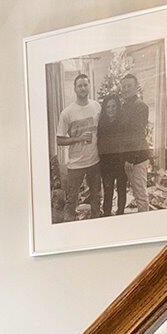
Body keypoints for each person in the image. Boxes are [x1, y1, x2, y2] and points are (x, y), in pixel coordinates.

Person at [100, 68, 157, 213]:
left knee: (140, 195)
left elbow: (138, 134)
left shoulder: (140, 106)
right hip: (127, 159)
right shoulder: (123, 106)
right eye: (123, 86)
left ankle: (145, 221)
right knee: (132, 193)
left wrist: (130, 159)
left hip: (137, 158)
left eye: (129, 86)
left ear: (136, 87)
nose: (125, 89)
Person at [53, 69, 102, 221]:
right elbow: (59, 140)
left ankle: (97, 224)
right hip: (75, 164)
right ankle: (69, 227)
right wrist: (79, 138)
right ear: (74, 88)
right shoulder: (67, 113)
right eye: (79, 86)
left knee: (96, 197)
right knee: (72, 199)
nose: (83, 88)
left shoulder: (96, 107)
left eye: (85, 85)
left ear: (89, 86)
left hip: (94, 161)